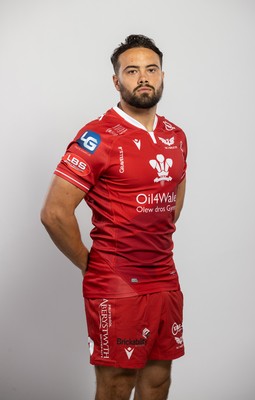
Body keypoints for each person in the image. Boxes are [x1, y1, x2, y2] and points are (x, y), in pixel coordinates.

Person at [41, 34, 187, 400]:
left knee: (158, 380)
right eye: (132, 70)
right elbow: (54, 212)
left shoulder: (176, 136)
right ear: (116, 80)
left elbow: (174, 195)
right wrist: (90, 265)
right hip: (116, 282)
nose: (143, 77)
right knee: (118, 384)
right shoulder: (98, 136)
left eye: (151, 69)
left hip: (165, 277)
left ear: (163, 76)